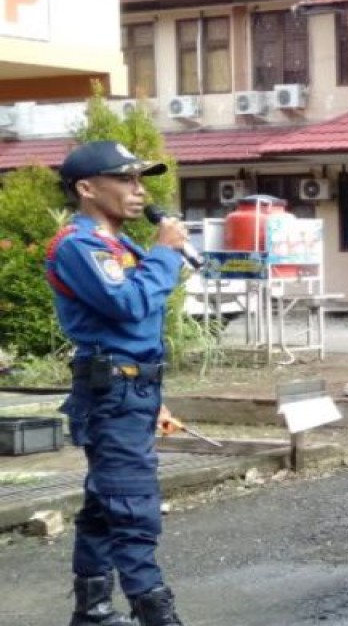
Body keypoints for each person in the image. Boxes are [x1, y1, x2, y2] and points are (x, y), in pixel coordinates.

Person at [49, 141, 189, 626]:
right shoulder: (79, 246)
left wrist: (158, 402)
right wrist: (166, 254)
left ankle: (94, 613)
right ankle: (157, 617)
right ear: (87, 189)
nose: (139, 190)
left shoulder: (119, 245)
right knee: (132, 510)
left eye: (140, 180)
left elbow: (137, 332)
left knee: (105, 509)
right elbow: (128, 305)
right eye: (125, 179)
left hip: (132, 391)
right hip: (112, 393)